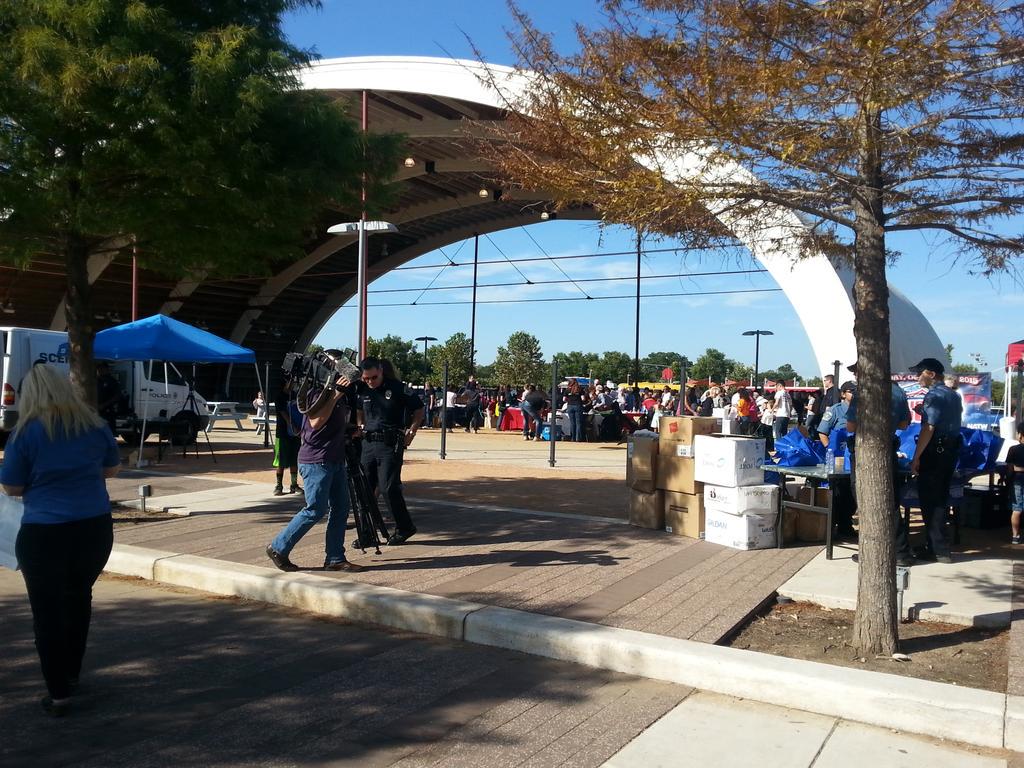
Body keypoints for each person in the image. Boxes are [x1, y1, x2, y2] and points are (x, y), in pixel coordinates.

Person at [1, 364, 121, 717]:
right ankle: (71, 673)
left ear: (30, 395)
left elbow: (12, 487)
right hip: (94, 527)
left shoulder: (25, 433)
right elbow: (111, 469)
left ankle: (58, 694)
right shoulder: (94, 426)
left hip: (45, 532)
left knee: (47, 611)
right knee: (79, 597)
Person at [266, 372, 361, 573]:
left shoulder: (341, 396)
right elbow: (316, 422)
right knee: (315, 509)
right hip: (317, 462)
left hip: (335, 459)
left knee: (341, 508)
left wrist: (349, 429)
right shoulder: (316, 394)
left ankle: (335, 558)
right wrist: (335, 395)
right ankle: (278, 547)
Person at [844, 362, 913, 563]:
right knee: (891, 501)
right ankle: (899, 551)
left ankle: (874, 550)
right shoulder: (898, 392)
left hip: (865, 450)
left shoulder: (862, 392)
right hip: (888, 448)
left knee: (865, 499)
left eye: (857, 372)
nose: (856, 376)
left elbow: (850, 426)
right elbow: (904, 423)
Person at [355, 357, 423, 545]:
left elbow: (418, 408)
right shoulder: (362, 389)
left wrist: (412, 431)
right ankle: (367, 533)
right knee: (364, 490)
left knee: (388, 487)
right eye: (366, 378)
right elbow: (359, 409)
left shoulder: (397, 388)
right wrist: (360, 425)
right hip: (368, 443)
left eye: (374, 377)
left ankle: (404, 527)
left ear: (381, 371)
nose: (370, 381)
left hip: (390, 444)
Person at [909, 357, 963, 564]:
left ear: (931, 374)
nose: (917, 377)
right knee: (940, 498)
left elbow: (929, 428)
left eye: (919, 373)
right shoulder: (953, 395)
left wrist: (916, 457)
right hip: (950, 451)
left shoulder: (933, 395)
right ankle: (937, 546)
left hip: (935, 451)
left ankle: (938, 549)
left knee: (930, 500)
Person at [272, 378, 301, 496]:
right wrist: (291, 425)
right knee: (281, 460)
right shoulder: (279, 396)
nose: (293, 384)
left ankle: (294, 484)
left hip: (296, 433)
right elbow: (283, 413)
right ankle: (279, 485)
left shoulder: (295, 395)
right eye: (291, 381)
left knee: (294, 459)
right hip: (283, 432)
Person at [1006, 422, 1024, 545]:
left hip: (1017, 480)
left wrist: (1007, 479)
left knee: (1017, 509)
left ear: (1020, 435)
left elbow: (1009, 469)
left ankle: (1015, 536)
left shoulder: (1013, 449)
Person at [95, 361, 122, 436]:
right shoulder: (95, 381)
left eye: (102, 368)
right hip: (96, 411)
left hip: (108, 412)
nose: (100, 370)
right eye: (98, 368)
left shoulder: (112, 381)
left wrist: (104, 405)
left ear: (107, 369)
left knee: (109, 432)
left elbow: (117, 396)